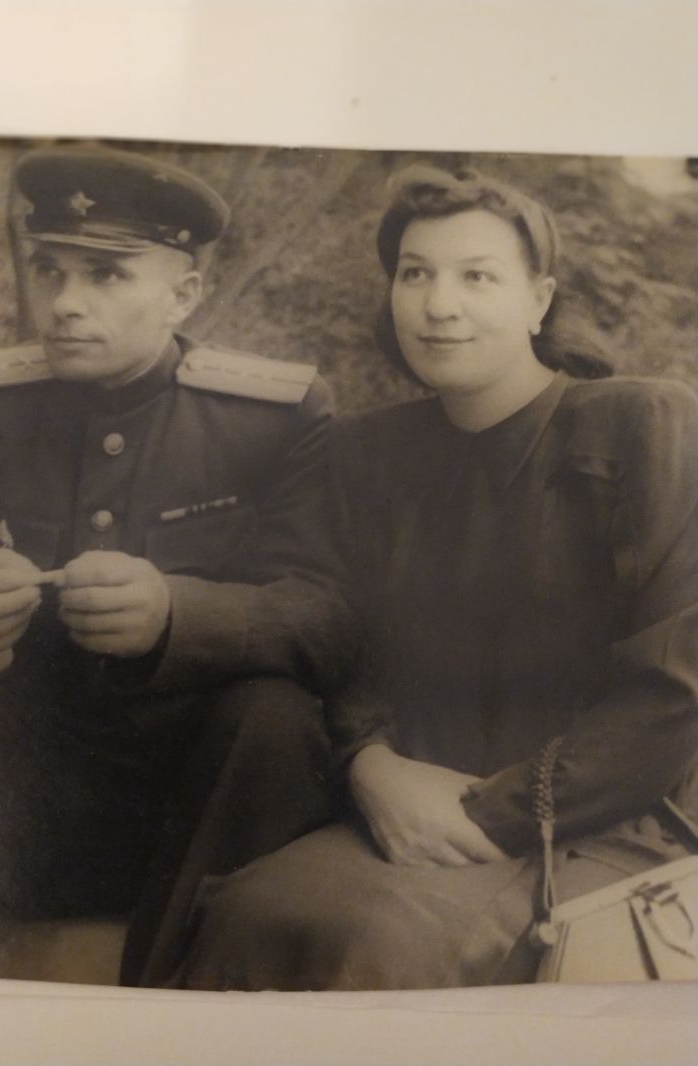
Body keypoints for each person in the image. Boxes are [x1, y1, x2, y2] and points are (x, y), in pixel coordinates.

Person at [173, 165, 698, 990]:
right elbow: (340, 638)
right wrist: (370, 766)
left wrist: (497, 811)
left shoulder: (648, 426)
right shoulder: (366, 452)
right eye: (415, 273)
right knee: (252, 911)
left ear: (539, 300)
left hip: (607, 815)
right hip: (411, 802)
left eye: (476, 277)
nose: (438, 304)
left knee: (372, 942)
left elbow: (673, 693)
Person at [0, 145, 353, 986]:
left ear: (184, 294)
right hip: (9, 781)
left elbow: (323, 611)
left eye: (106, 275)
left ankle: (175, 998)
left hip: (178, 791)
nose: (64, 303)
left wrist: (179, 614)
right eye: (49, 269)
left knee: (275, 717)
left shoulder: (274, 418)